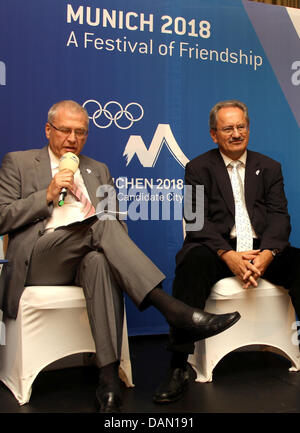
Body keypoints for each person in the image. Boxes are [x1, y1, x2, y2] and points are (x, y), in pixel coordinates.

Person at [0, 100, 240, 413]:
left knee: (100, 257)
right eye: (66, 131)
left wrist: (102, 230)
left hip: (87, 255)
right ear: (49, 130)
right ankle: (172, 308)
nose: (73, 139)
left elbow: (117, 223)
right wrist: (45, 194)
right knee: (101, 224)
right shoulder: (19, 162)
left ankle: (109, 378)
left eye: (81, 133)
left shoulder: (97, 170)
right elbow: (2, 217)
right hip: (41, 258)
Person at [153, 99, 300, 404]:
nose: (236, 133)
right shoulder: (197, 168)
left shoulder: (269, 167)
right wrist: (228, 255)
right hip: (215, 249)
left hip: (261, 250)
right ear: (213, 134)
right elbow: (195, 222)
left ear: (248, 128)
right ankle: (178, 367)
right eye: (227, 128)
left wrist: (268, 254)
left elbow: (279, 217)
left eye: (241, 126)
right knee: (191, 263)